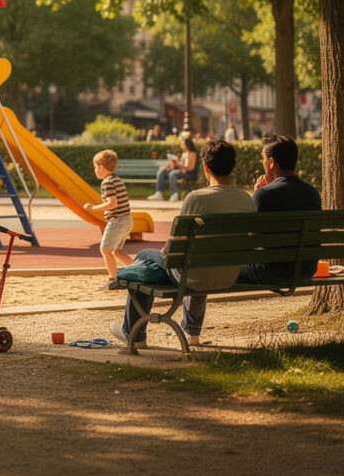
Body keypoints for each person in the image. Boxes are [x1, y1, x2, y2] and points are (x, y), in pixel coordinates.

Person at [112, 138, 252, 349]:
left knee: (145, 256)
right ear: (232, 166)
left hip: (192, 274)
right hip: (228, 274)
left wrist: (162, 253)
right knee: (199, 259)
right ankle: (191, 333)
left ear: (205, 167)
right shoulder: (246, 199)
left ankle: (134, 333)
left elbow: (175, 243)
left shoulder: (196, 199)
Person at [239, 134, 323, 282]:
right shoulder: (313, 193)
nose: (263, 163)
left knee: (227, 268)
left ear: (271, 162)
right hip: (307, 270)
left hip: (272, 271)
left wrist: (258, 193)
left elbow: (251, 239)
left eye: (263, 159)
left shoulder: (263, 194)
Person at [84, 150, 135, 280]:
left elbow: (112, 203)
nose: (95, 170)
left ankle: (113, 279)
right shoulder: (117, 180)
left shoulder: (107, 183)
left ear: (101, 167)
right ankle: (137, 269)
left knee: (105, 250)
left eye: (95, 167)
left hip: (117, 220)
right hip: (127, 219)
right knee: (116, 250)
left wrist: (93, 208)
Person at [148, 136, 198, 201]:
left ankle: (174, 194)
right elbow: (181, 165)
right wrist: (173, 164)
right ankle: (159, 193)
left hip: (189, 174)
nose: (181, 146)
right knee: (161, 172)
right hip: (181, 171)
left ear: (187, 145)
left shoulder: (192, 154)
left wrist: (178, 164)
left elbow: (190, 168)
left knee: (173, 174)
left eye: (183, 145)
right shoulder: (184, 154)